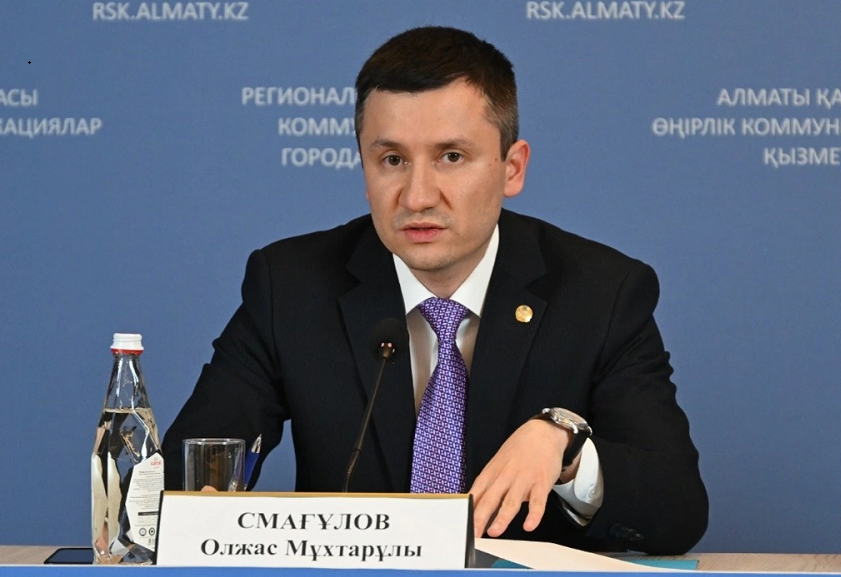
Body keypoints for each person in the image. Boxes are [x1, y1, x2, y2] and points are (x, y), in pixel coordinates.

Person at [162, 26, 708, 554]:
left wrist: (568, 452)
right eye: (392, 160)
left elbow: (678, 509)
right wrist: (204, 511)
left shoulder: (600, 293)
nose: (417, 196)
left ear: (512, 168)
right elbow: (190, 473)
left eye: (451, 157)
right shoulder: (291, 286)